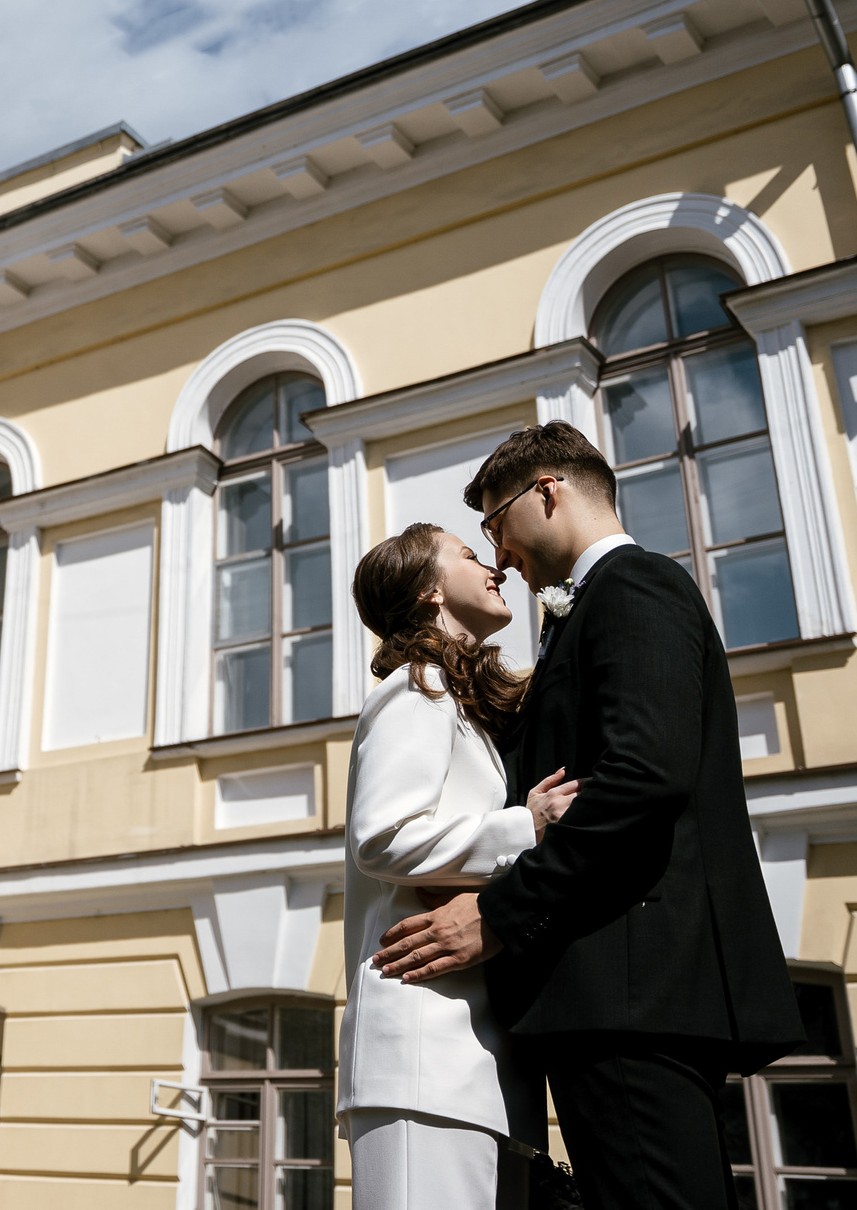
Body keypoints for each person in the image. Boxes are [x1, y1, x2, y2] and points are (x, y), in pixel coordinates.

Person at [370, 421, 804, 1210]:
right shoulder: (573, 617)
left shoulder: (634, 586)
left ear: (546, 491)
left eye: (495, 524)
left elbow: (642, 777)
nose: (500, 554)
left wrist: (499, 913)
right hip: (610, 996)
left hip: (633, 992)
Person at [342, 523, 577, 1210]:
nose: (494, 568)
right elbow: (382, 837)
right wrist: (526, 826)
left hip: (469, 1061)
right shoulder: (417, 689)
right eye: (470, 556)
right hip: (421, 1056)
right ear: (430, 590)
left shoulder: (456, 701)